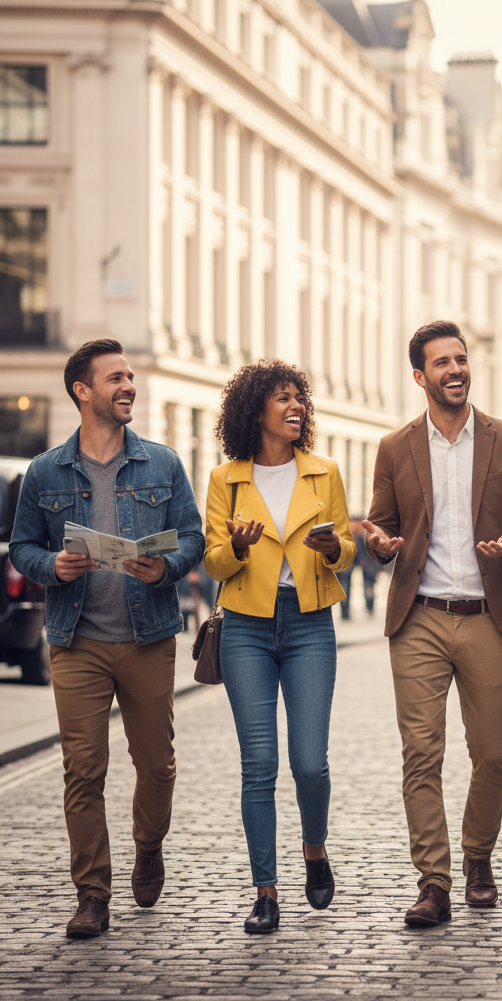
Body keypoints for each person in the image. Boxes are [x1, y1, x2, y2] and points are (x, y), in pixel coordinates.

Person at [8, 338, 205, 938]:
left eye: (130, 377)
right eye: (115, 378)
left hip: (148, 638)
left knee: (156, 764)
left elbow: (192, 538)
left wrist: (166, 565)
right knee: (82, 769)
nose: (129, 386)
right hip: (76, 641)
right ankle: (92, 893)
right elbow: (22, 547)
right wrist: (52, 568)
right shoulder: (45, 471)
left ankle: (149, 846)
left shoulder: (163, 463)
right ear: (83, 391)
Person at [363, 320, 502, 926]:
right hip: (419, 616)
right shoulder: (394, 448)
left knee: (492, 753)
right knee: (421, 752)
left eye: (461, 359)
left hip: (488, 615)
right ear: (420, 376)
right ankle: (434, 880)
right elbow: (378, 526)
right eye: (441, 363)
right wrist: (381, 543)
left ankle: (478, 857)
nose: (455, 370)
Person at [203, 360, 356, 934]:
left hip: (309, 624)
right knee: (259, 764)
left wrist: (333, 547)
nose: (295, 407)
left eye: (299, 398)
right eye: (281, 398)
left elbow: (347, 547)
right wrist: (238, 548)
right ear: (255, 412)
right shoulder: (226, 480)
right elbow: (213, 560)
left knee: (309, 763)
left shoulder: (325, 473)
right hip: (245, 625)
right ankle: (265, 891)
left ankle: (314, 849)